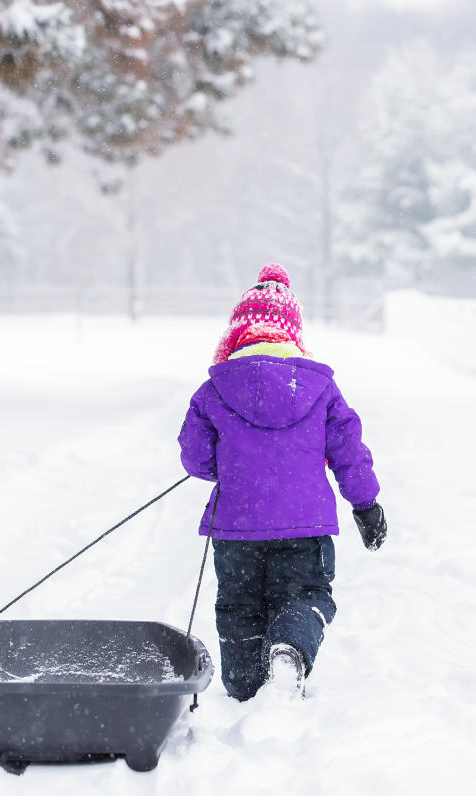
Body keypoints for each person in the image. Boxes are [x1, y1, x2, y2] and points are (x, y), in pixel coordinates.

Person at [177, 263, 387, 701]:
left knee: (239, 605)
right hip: (304, 528)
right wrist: (366, 505)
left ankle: (243, 687)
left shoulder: (214, 390)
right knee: (305, 594)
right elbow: (349, 449)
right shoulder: (320, 387)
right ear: (293, 333)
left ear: (237, 333)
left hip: (236, 528)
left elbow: (195, 459)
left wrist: (234, 467)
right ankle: (289, 652)